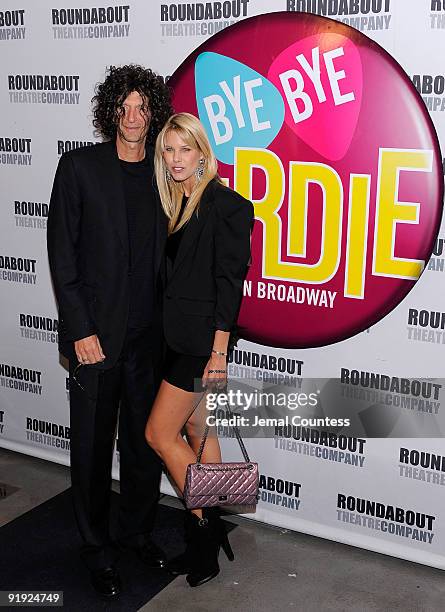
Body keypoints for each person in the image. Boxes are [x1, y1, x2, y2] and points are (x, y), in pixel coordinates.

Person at [47, 64, 173, 598]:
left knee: (145, 447)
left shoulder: (166, 174)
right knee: (94, 452)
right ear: (109, 112)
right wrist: (79, 329)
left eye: (142, 107)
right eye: (123, 106)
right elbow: (62, 255)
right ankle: (97, 549)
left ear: (154, 115)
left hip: (151, 341)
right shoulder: (79, 168)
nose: (133, 117)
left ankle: (138, 532)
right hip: (95, 340)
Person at [145, 112, 254, 587]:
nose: (175, 159)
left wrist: (218, 353)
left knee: (158, 435)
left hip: (200, 345)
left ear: (202, 153)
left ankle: (204, 533)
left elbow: (230, 284)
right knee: (195, 429)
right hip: (176, 337)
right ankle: (205, 541)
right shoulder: (174, 203)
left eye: (184, 149)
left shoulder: (226, 205)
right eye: (168, 150)